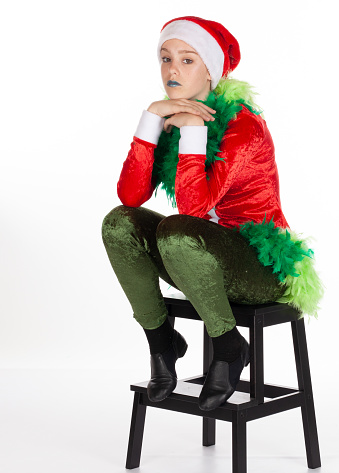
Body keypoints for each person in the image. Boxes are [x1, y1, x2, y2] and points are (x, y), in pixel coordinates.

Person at [102, 16, 323, 411]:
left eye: (187, 60)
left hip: (259, 264)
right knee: (119, 223)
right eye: (165, 58)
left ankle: (229, 345)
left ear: (211, 71)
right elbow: (131, 195)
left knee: (178, 230)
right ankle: (162, 342)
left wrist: (191, 130)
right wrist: (151, 119)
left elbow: (193, 209)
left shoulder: (242, 125)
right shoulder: (171, 115)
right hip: (197, 255)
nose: (172, 69)